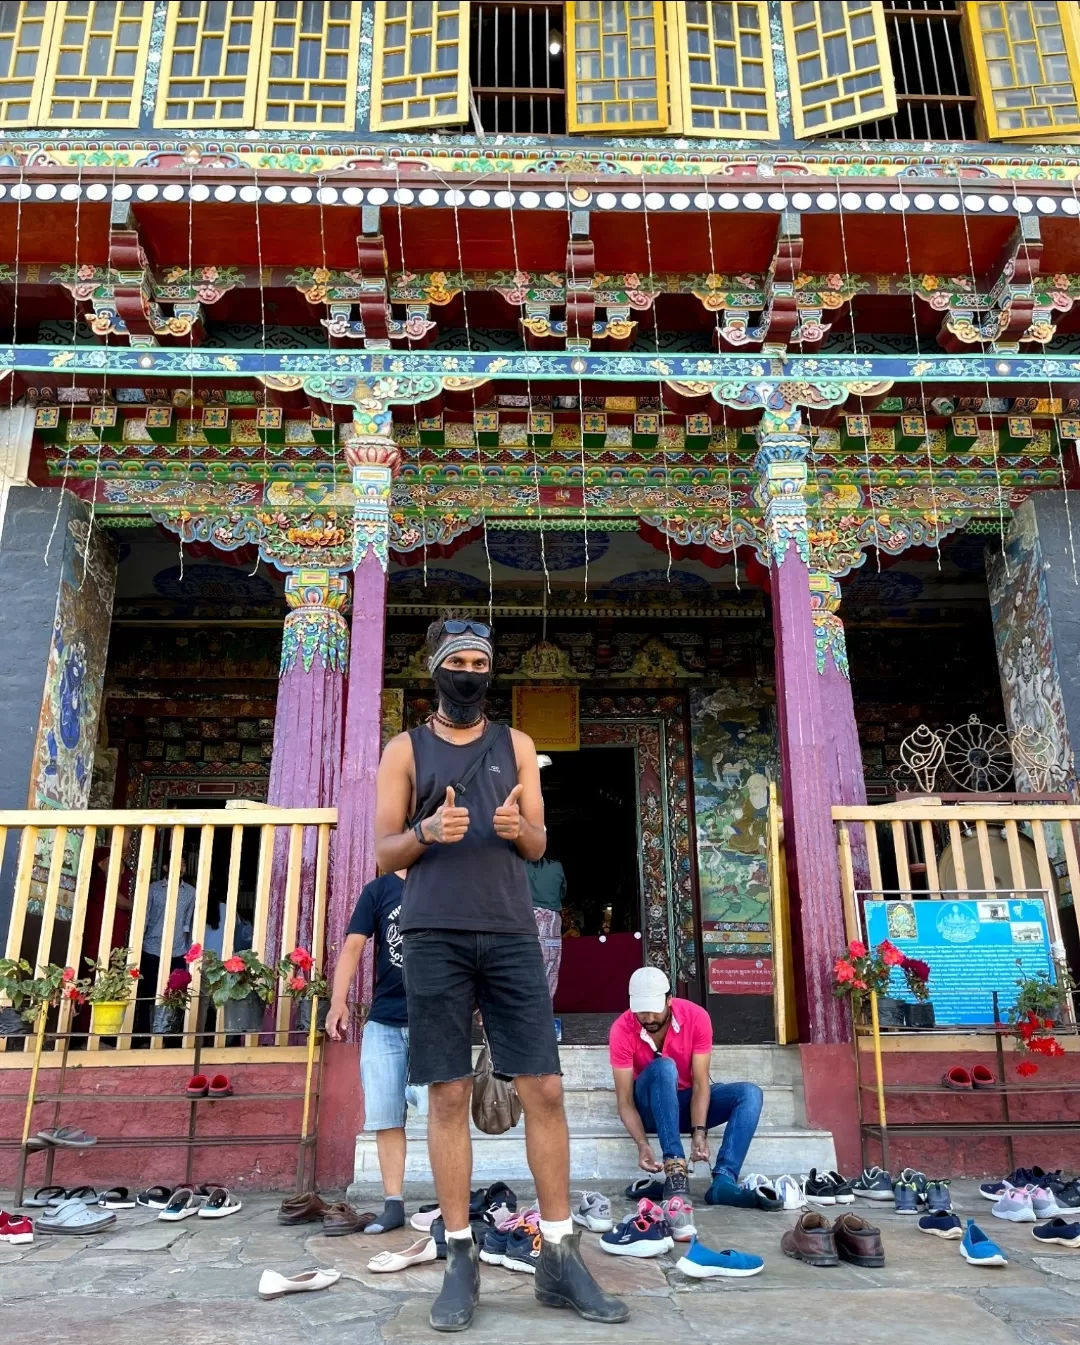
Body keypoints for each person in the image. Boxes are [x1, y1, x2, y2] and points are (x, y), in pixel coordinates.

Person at [374, 616, 628, 1332]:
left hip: (511, 929)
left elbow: (540, 837)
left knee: (542, 1085)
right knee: (448, 1091)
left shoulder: (516, 744)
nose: (469, 671)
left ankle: (560, 1253)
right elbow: (382, 851)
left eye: (480, 661)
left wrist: (523, 831)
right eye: (457, 660)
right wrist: (426, 832)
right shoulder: (405, 749)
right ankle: (460, 1254)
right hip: (432, 933)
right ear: (435, 669)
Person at [609, 966, 763, 1208]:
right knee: (664, 1067)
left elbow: (701, 1083)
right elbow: (625, 1101)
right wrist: (642, 1144)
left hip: (685, 1105)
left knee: (749, 1094)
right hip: (650, 1109)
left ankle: (724, 1181)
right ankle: (675, 1171)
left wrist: (699, 1131)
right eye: (641, 1012)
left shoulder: (696, 1017)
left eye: (653, 1010)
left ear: (669, 1000)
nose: (648, 1018)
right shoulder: (622, 1028)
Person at [326, 867, 412, 1236]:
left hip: (437, 1019)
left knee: (443, 1110)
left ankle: (448, 1202)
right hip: (385, 1019)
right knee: (385, 1113)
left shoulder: (444, 881)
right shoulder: (378, 890)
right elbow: (353, 945)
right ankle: (393, 1203)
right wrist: (337, 1001)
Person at [134, 856, 196, 1041]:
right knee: (149, 993)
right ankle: (144, 1035)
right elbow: (145, 917)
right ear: (166, 866)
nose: (182, 867)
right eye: (178, 863)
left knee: (174, 995)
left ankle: (169, 1037)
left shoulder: (191, 892)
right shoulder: (154, 889)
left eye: (184, 864)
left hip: (177, 949)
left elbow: (188, 922)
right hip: (152, 947)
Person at [526, 856, 566, 1001]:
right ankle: (543, 1008)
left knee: (524, 965)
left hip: (526, 918)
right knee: (550, 965)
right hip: (551, 921)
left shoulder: (517, 864)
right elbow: (562, 892)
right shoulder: (556, 867)